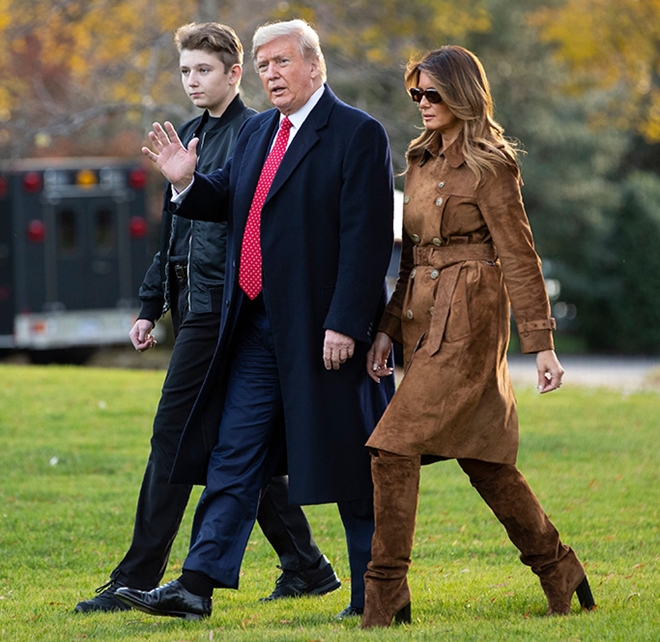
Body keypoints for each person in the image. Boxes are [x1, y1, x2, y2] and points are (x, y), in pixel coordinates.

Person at [114, 18, 395, 621]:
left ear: (314, 66)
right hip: (254, 330)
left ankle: (376, 595)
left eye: (282, 62)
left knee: (350, 465)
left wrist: (347, 323)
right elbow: (228, 199)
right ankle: (195, 586)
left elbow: (367, 238)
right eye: (264, 65)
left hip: (324, 332)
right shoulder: (259, 131)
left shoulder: (357, 132)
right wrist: (187, 182)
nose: (271, 74)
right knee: (233, 455)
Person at [74, 21, 339, 614]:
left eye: (204, 70)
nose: (192, 81)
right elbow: (173, 234)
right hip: (191, 305)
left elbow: (256, 228)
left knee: (172, 436)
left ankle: (133, 578)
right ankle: (307, 565)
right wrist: (151, 305)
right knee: (232, 444)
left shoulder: (257, 133)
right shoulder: (189, 135)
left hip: (226, 310)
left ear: (234, 73)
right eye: (185, 71)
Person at [360, 45, 596, 628]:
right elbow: (412, 256)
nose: (422, 103)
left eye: (433, 93)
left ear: (463, 94)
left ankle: (385, 595)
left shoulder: (492, 165)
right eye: (416, 93)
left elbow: (519, 255)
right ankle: (559, 567)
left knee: (392, 447)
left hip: (471, 321)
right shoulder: (418, 159)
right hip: (423, 320)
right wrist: (388, 328)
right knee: (484, 460)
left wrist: (541, 343)